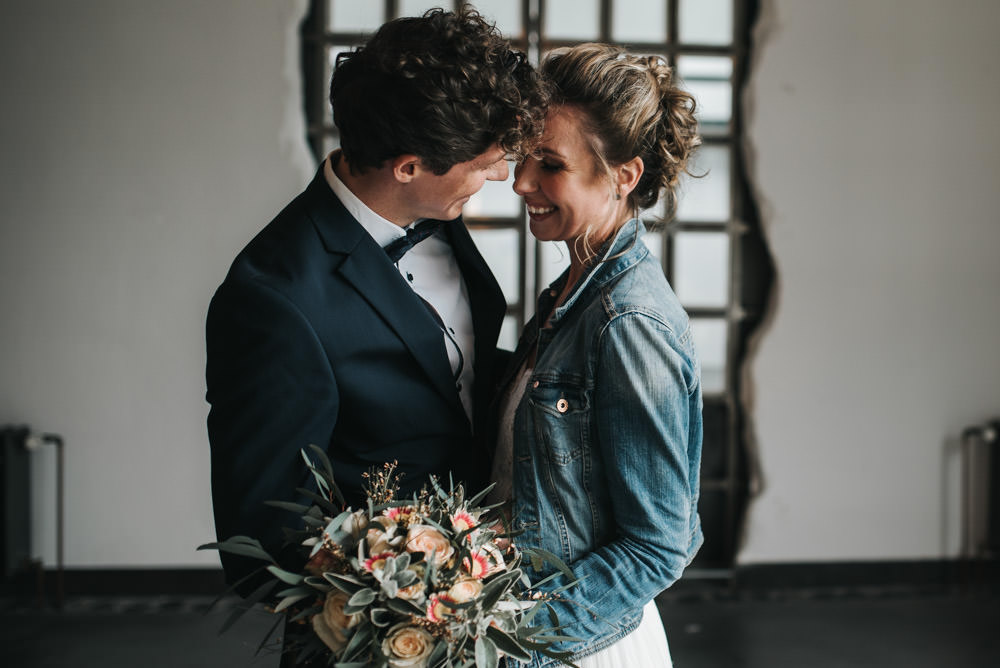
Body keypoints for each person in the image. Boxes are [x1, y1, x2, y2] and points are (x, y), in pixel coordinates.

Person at [205, 6, 546, 606]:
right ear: (408, 166)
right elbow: (260, 541)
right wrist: (407, 599)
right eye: (485, 162)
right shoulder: (272, 300)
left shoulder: (437, 212)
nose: (501, 176)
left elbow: (454, 378)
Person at [492, 43, 704, 667]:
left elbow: (660, 545)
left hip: (578, 649)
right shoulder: (570, 298)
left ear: (623, 175)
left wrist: (519, 635)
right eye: (524, 156)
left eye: (549, 164)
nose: (520, 181)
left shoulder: (628, 323)